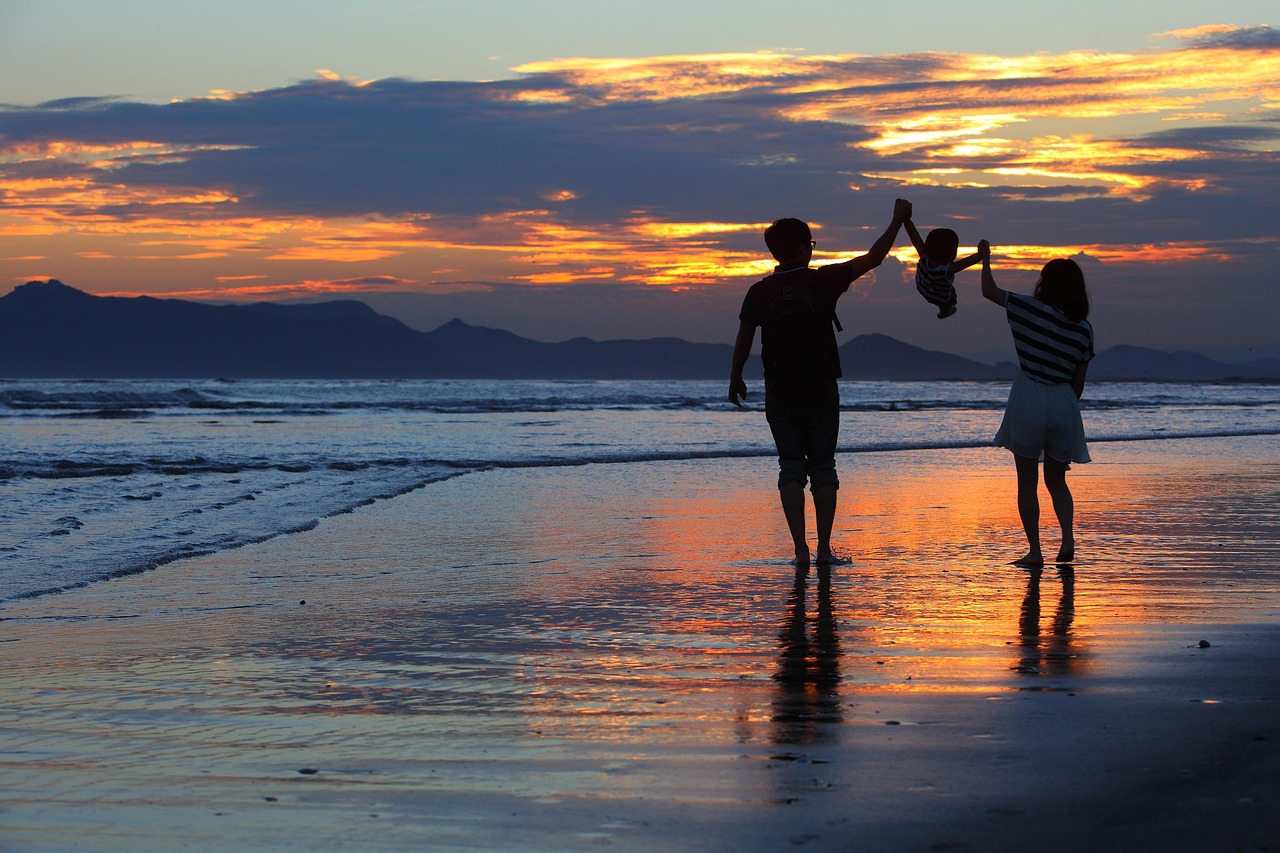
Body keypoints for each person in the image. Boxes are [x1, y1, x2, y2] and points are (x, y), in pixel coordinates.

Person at [729, 199, 912, 568]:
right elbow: (875, 257)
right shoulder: (824, 280)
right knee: (824, 467)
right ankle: (825, 550)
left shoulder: (760, 291)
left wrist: (735, 377)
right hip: (821, 387)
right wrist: (897, 219)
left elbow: (744, 338)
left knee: (790, 467)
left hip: (779, 388)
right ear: (801, 247)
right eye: (810, 244)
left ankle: (800, 551)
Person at [979, 243, 1094, 568]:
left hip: (1029, 395)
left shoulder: (1028, 308)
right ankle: (1068, 539)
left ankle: (1035, 551)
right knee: (1057, 480)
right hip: (1063, 401)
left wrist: (985, 258)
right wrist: (1067, 410)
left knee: (1026, 481)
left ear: (1045, 283)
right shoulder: (1084, 329)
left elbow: (989, 291)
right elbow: (1079, 381)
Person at [903, 219, 984, 318]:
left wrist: (906, 220)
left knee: (944, 287)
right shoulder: (947, 269)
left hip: (922, 287)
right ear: (952, 255)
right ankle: (945, 309)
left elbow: (914, 236)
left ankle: (944, 308)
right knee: (952, 296)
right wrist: (981, 253)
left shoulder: (924, 256)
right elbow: (966, 262)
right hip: (940, 298)